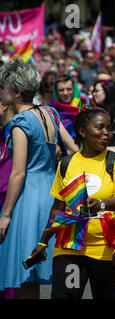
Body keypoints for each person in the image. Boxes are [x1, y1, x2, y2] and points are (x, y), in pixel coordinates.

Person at [29, 108, 115, 299]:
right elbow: (57, 209)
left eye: (109, 129)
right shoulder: (67, 164)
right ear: (82, 132)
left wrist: (101, 204)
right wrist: (42, 242)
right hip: (70, 249)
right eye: (100, 127)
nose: (107, 133)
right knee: (66, 296)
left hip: (106, 250)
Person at [0, 58, 77, 299]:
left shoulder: (20, 123)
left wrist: (6, 214)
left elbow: (18, 172)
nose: (1, 92)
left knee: (26, 274)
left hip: (28, 199)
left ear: (16, 91)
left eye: (3, 87)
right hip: (54, 194)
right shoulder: (51, 113)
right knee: (55, 270)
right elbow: (74, 150)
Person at [49, 74, 90, 139]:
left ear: (74, 89)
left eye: (69, 89)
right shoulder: (50, 111)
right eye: (61, 90)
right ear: (56, 92)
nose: (65, 93)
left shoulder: (85, 105)